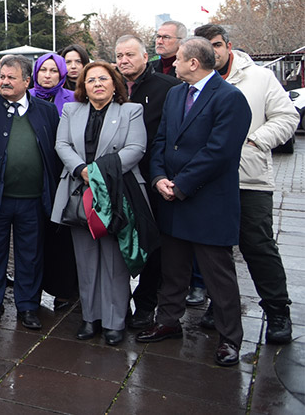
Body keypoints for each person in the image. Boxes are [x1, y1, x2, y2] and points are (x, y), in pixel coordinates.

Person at [137, 37, 251, 367]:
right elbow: (161, 141)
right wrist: (159, 178)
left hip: (207, 202)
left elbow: (220, 152)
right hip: (171, 198)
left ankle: (230, 338)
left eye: (179, 60)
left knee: (219, 277)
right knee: (173, 271)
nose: (172, 65)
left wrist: (181, 185)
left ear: (194, 63)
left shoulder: (230, 98)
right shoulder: (176, 94)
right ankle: (168, 321)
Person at [195, 24, 297, 344]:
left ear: (228, 45)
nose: (212, 52)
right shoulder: (197, 81)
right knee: (215, 249)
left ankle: (278, 309)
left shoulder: (260, 78)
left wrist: (256, 141)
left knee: (257, 245)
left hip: (249, 178)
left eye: (216, 45)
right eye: (205, 47)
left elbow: (286, 117)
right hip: (209, 181)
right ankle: (220, 305)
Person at [51, 61, 149, 346]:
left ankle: (114, 321)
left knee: (114, 261)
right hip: (78, 192)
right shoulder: (72, 110)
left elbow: (136, 149)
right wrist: (82, 170)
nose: (97, 84)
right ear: (83, 86)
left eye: (103, 79)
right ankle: (90, 318)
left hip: (117, 193)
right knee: (85, 260)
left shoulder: (131, 111)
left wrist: (97, 173)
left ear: (114, 83)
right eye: (91, 79)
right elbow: (62, 145)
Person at [0, 55, 60, 330]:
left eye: (11, 77)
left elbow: (53, 154)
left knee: (30, 255)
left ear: (27, 81)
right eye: (2, 77)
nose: (5, 82)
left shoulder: (46, 111)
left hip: (33, 200)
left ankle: (28, 306)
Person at [114, 35, 180, 329]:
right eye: (119, 56)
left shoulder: (168, 88)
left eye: (129, 54)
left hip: (152, 179)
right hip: (117, 179)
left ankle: (145, 304)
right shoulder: (111, 86)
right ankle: (116, 302)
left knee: (154, 246)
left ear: (145, 56)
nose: (123, 60)